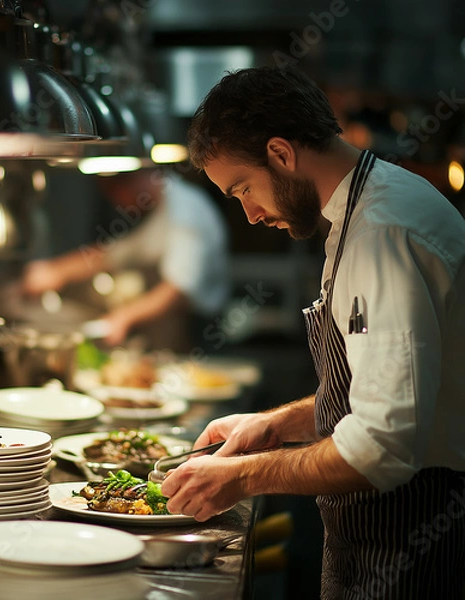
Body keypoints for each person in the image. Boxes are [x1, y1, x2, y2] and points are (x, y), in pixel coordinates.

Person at [160, 65, 465, 598]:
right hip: (383, 539)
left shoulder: (383, 232)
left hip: (417, 545)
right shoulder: (362, 212)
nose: (250, 215)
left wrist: (241, 476)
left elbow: (383, 446)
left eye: (243, 189)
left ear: (281, 153)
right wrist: (274, 423)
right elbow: (391, 387)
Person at [22, 167, 230, 349]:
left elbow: (178, 290)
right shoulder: (163, 207)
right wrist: (57, 270)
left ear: (130, 182)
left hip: (198, 332)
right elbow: (114, 255)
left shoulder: (185, 212)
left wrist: (122, 318)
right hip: (176, 328)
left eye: (112, 192)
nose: (116, 202)